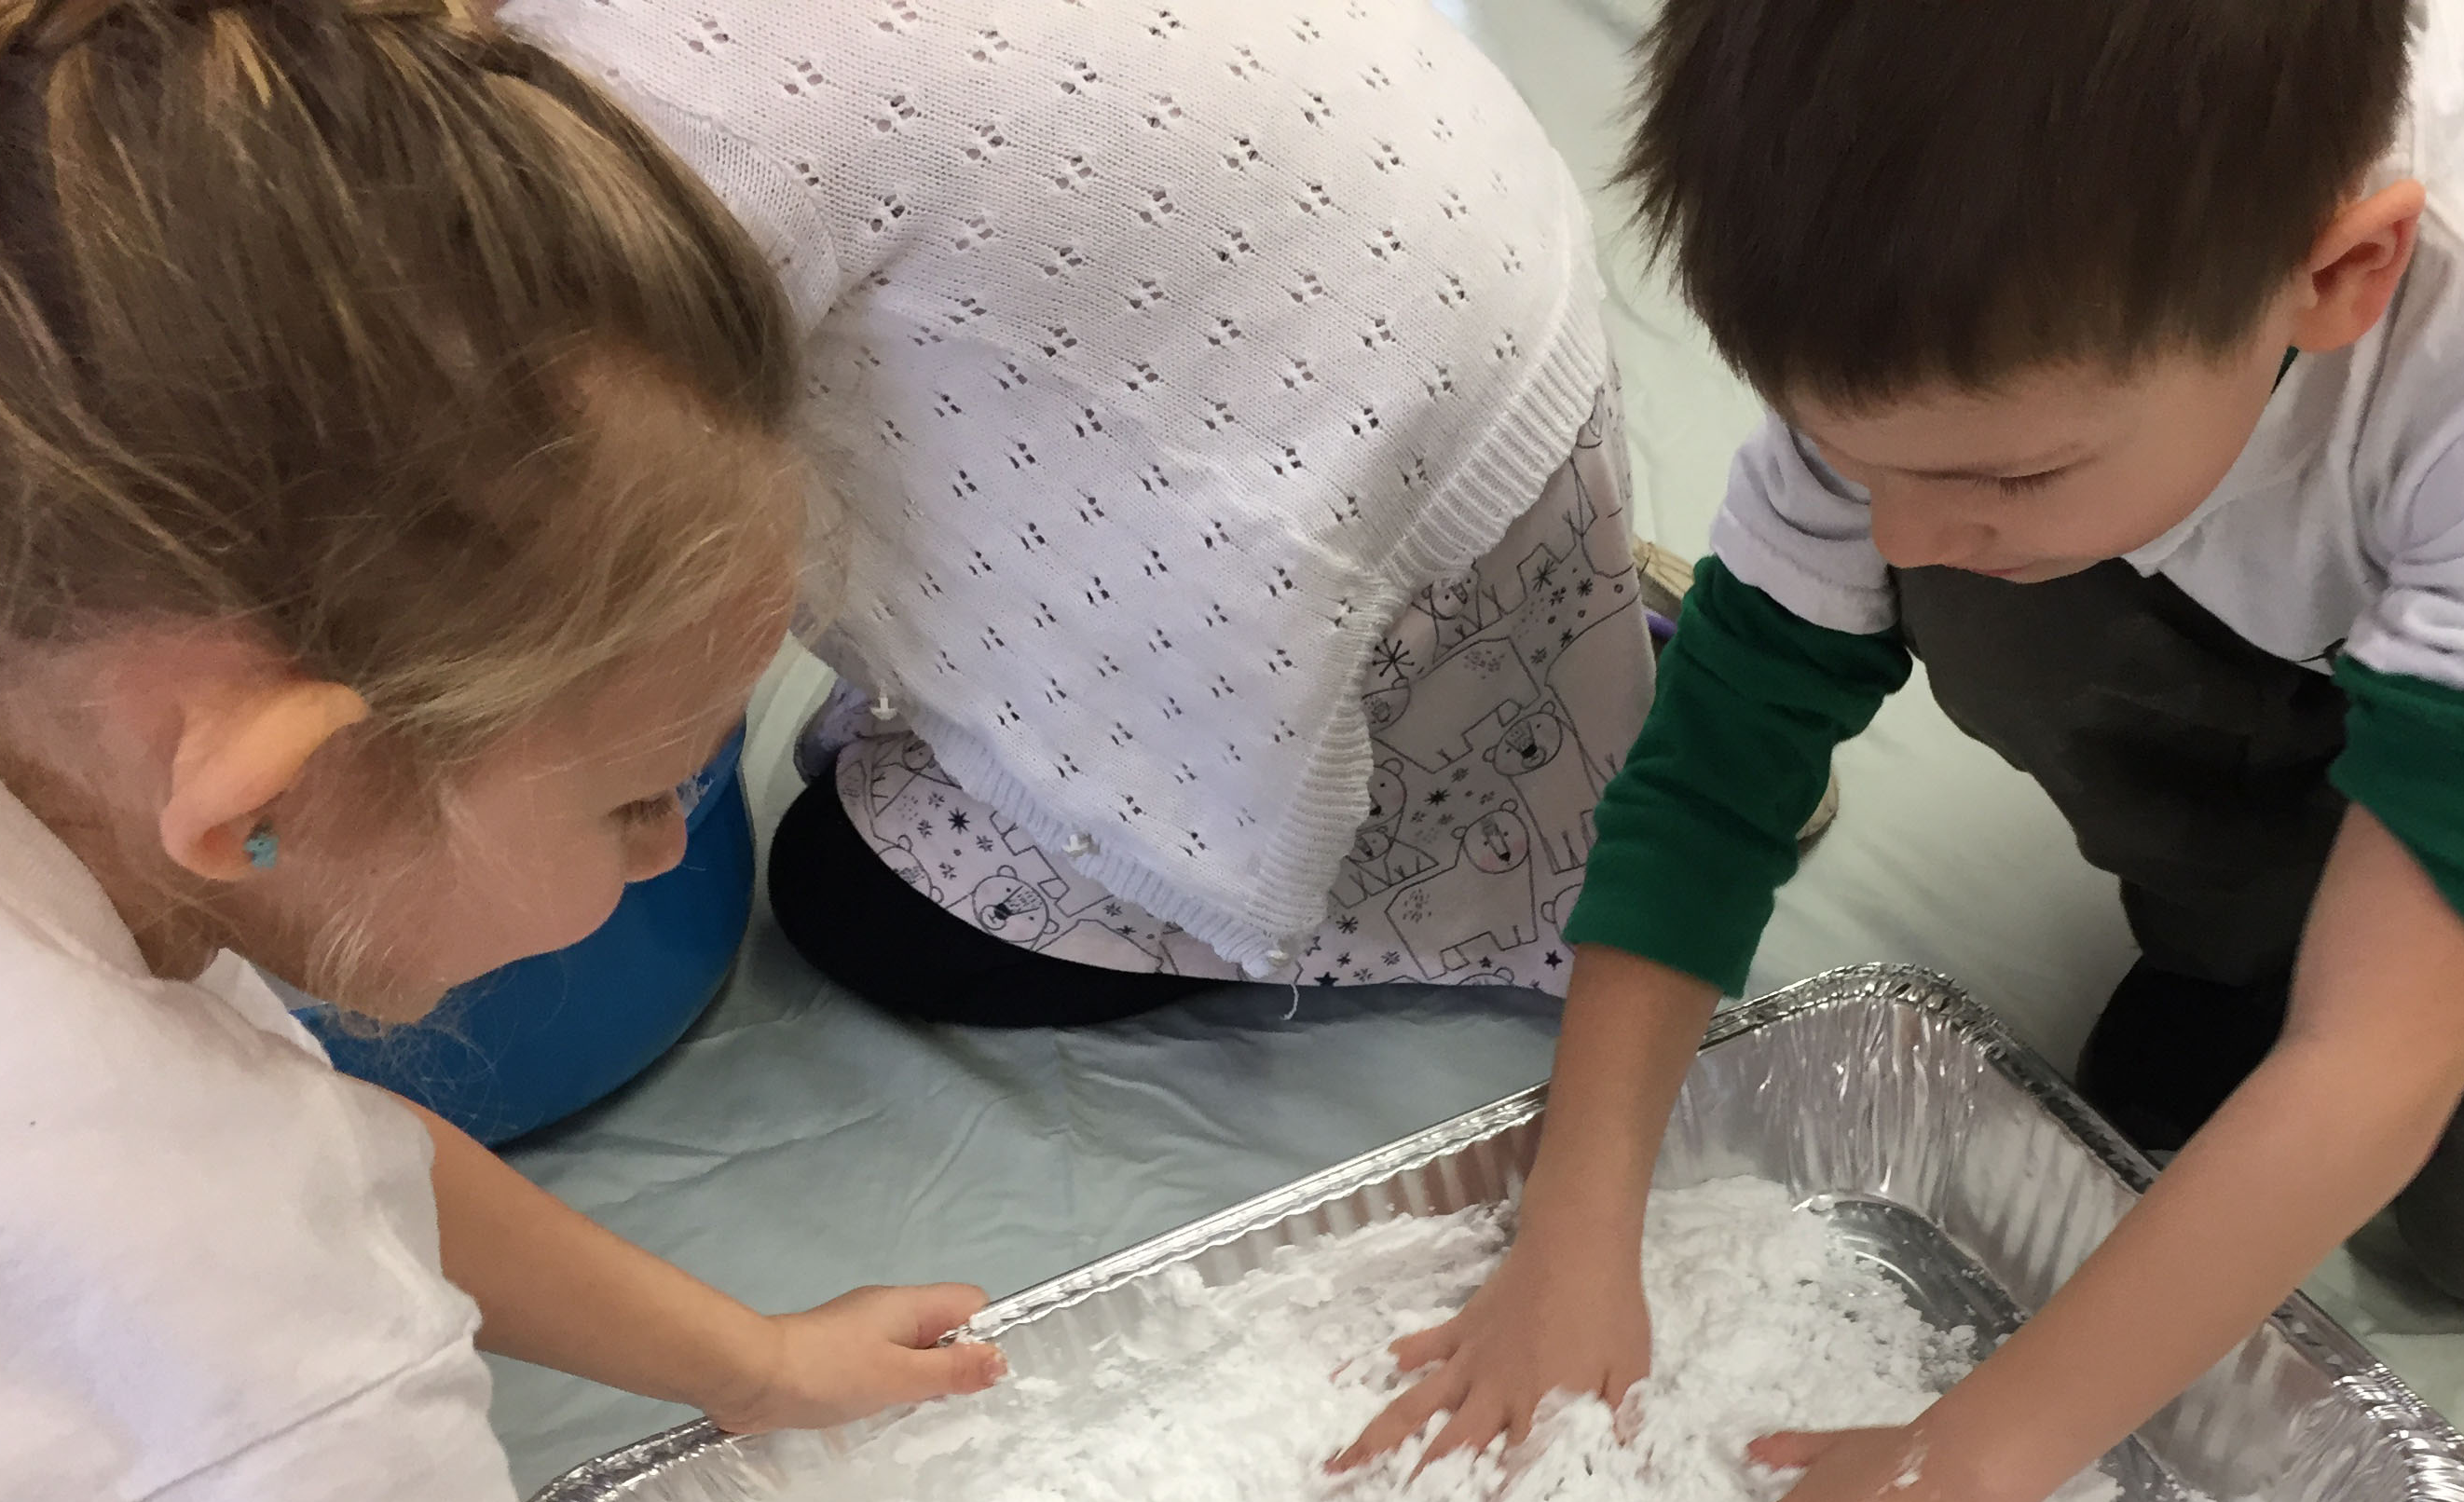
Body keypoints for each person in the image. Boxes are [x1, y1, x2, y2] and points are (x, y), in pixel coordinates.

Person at [1335, 0, 2464, 1502]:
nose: (1890, 524)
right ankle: (2308, 818)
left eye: (1997, 468)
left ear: (2331, 279)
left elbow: (2368, 1062)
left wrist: (1950, 1477)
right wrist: (1573, 1227)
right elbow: (1718, 762)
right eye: (1843, 453)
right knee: (1978, 598)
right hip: (2309, 577)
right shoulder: (1976, 298)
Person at [0, 5, 1004, 1502]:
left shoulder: (39, 710)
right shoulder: (234, 1321)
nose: (668, 851)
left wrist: (750, 1359)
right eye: (643, 790)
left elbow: (311, 1131)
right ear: (271, 783)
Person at [505, 0, 1654, 1025]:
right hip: (1497, 314)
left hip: (1372, 511)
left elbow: (630, 551)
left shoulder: (612, 114)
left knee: (845, 898)